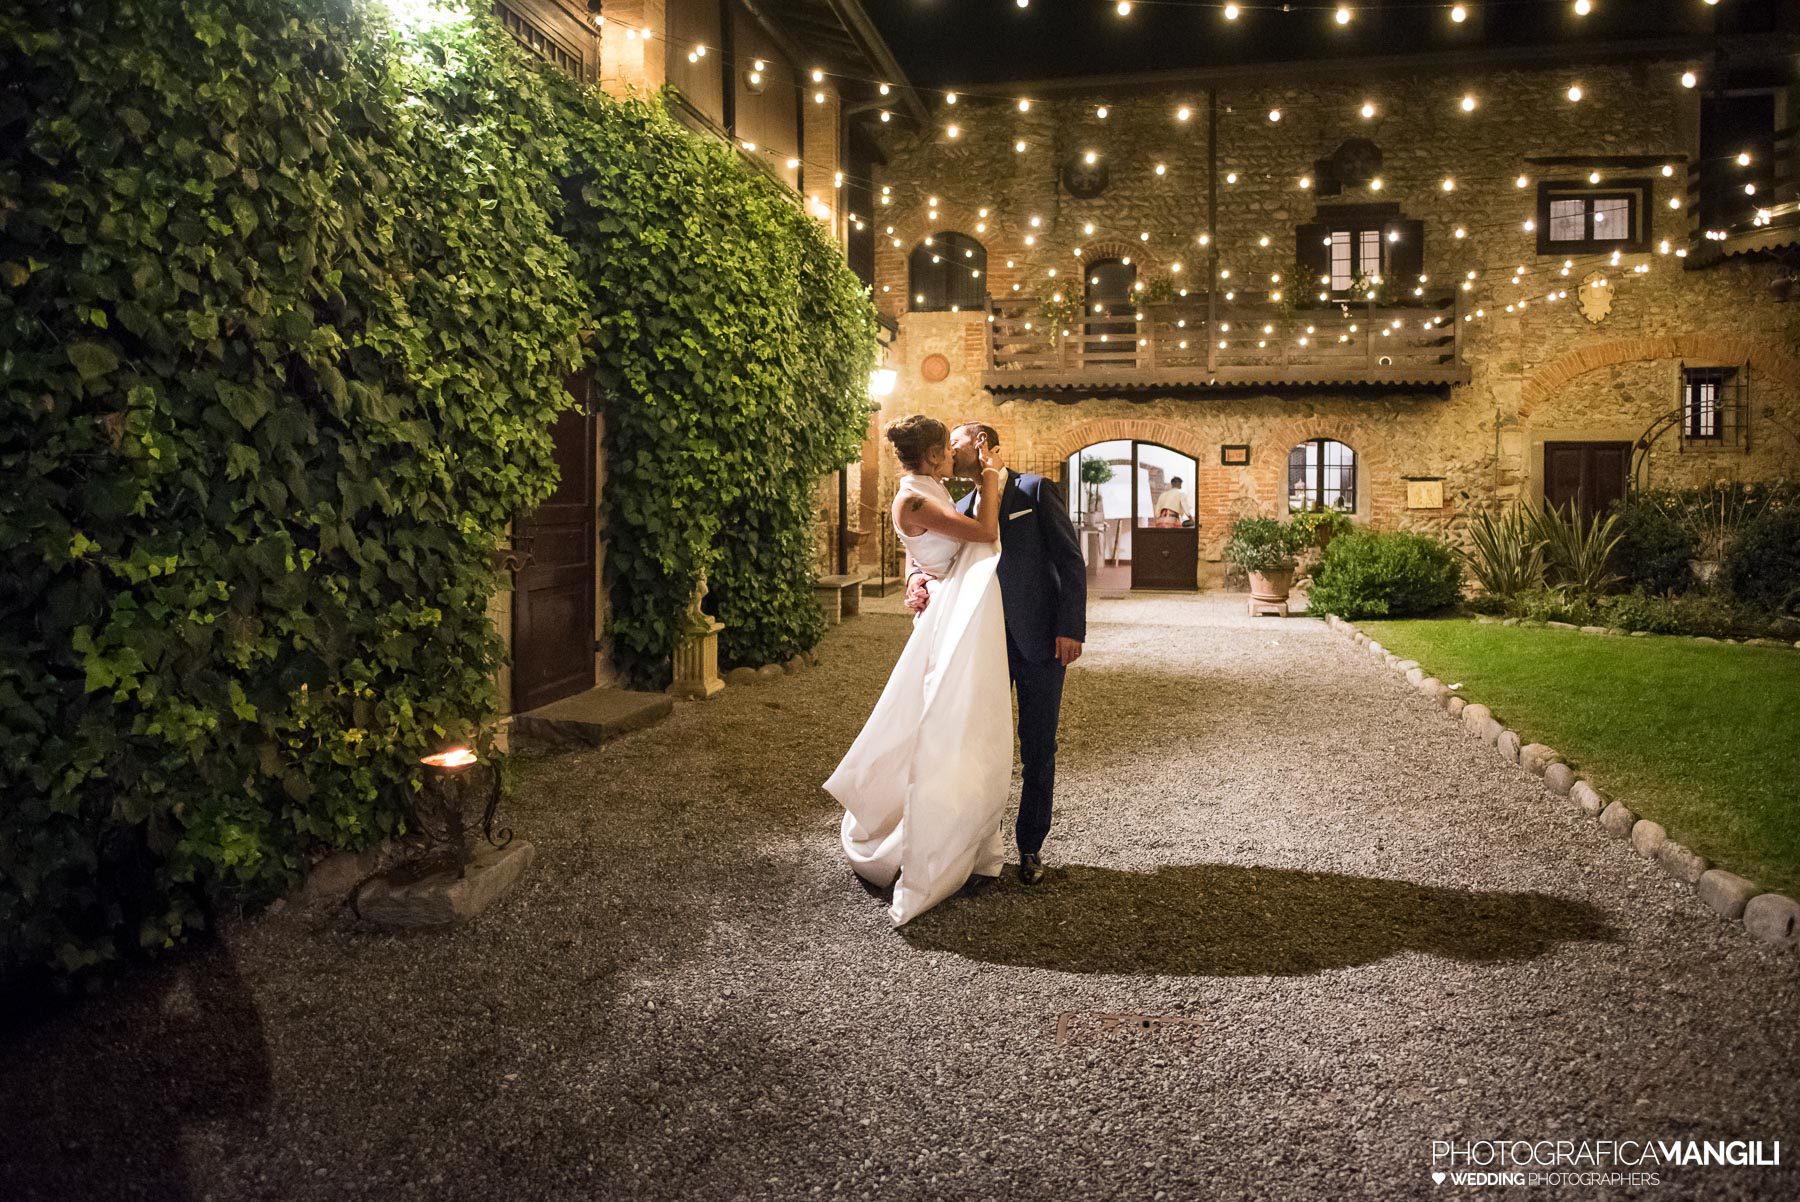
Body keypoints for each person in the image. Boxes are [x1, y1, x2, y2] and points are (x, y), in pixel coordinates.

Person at [824, 415, 1012, 925]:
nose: (953, 456)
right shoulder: (913, 499)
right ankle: (920, 841)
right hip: (948, 617)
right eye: (947, 450)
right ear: (931, 456)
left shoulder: (930, 490)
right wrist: (990, 476)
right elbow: (984, 532)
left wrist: (915, 576)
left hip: (958, 607)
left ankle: (966, 835)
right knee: (938, 721)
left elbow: (925, 552)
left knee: (961, 719)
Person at [914, 423, 1086, 887]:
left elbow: (1070, 559)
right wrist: (917, 580)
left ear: (981, 444)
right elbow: (939, 563)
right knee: (976, 745)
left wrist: (1070, 627)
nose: (949, 453)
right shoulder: (962, 507)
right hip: (981, 642)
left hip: (1040, 639)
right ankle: (974, 849)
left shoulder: (1034, 490)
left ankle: (1031, 845)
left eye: (955, 444)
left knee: (1038, 745)